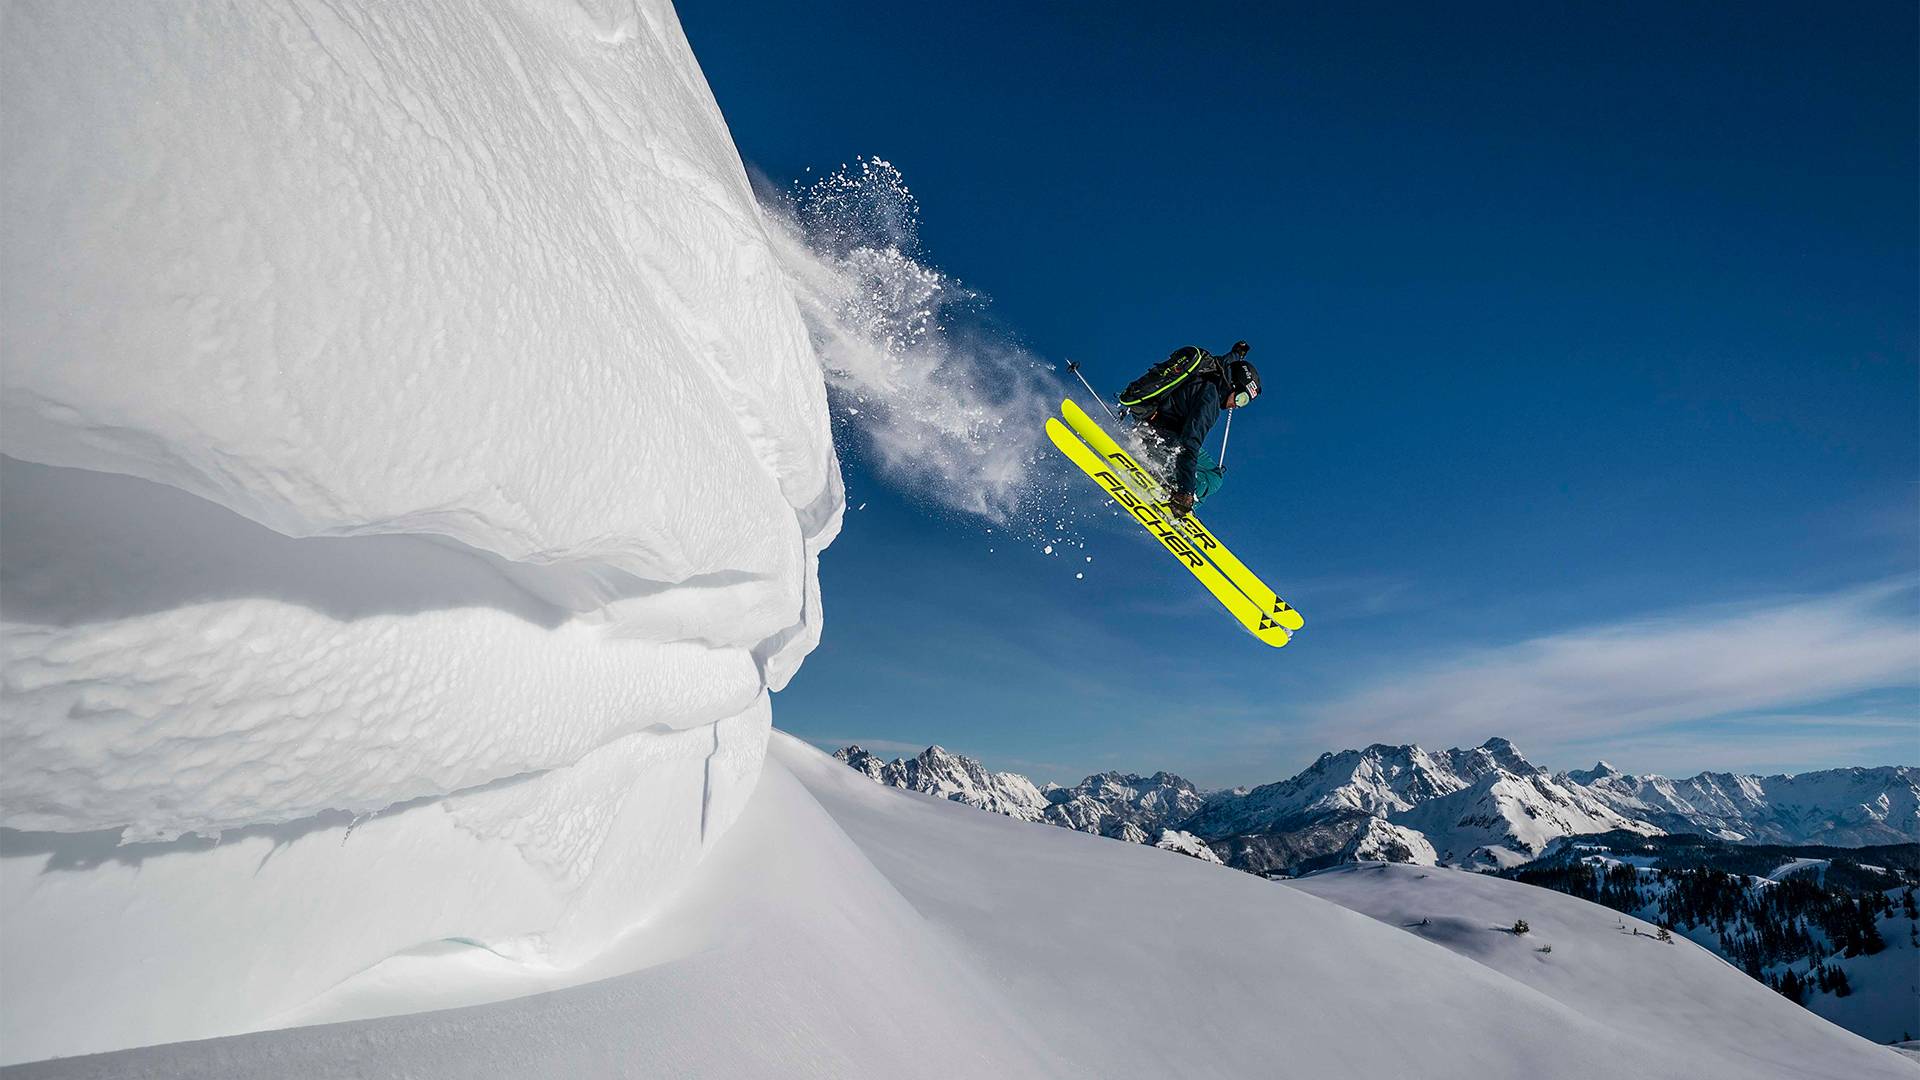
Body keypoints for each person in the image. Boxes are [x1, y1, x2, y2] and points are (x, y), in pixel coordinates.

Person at [1119, 341, 1261, 517]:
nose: (1236, 405)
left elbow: (1226, 364)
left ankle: (1182, 494)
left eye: (1243, 403)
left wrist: (1236, 353)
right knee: (1209, 479)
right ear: (1233, 385)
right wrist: (1185, 490)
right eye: (1240, 398)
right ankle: (1178, 499)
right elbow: (1189, 444)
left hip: (1157, 425)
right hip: (1159, 436)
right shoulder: (1210, 401)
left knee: (1214, 475)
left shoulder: (1213, 372)